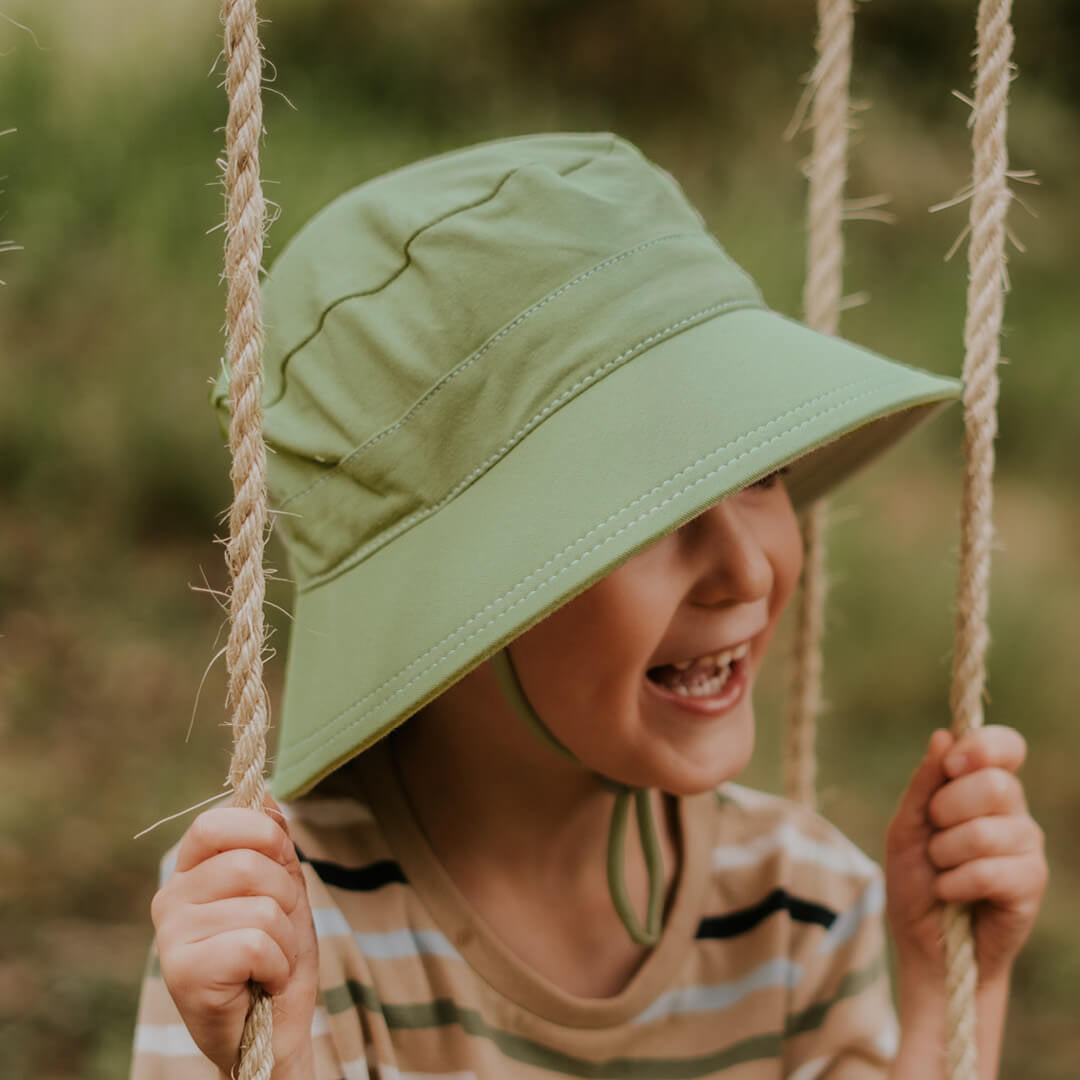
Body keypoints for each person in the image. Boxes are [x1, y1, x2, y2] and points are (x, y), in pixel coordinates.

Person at [132, 133, 1046, 1079]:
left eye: (764, 472)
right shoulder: (280, 929)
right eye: (649, 509)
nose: (746, 570)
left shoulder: (795, 901)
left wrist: (949, 992)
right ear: (456, 598)